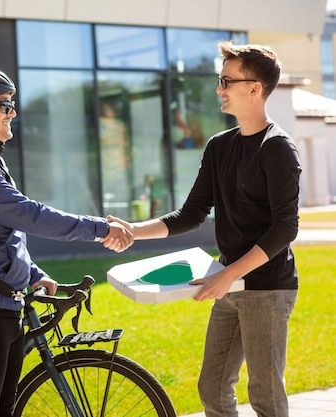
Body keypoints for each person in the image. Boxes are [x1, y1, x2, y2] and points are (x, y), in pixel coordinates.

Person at [0, 66, 133, 417]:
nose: (12, 112)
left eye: (11, 104)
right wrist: (100, 228)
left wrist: (33, 274)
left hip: (1, 305)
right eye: (3, 105)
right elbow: (30, 215)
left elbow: (2, 233)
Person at [110, 41, 301, 417]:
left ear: (254, 88)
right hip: (227, 280)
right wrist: (133, 230)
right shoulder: (219, 146)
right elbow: (192, 214)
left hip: (266, 287)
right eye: (220, 79)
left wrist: (228, 275)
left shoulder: (278, 148)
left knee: (266, 395)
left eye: (227, 81)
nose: (219, 89)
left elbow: (285, 228)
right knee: (212, 390)